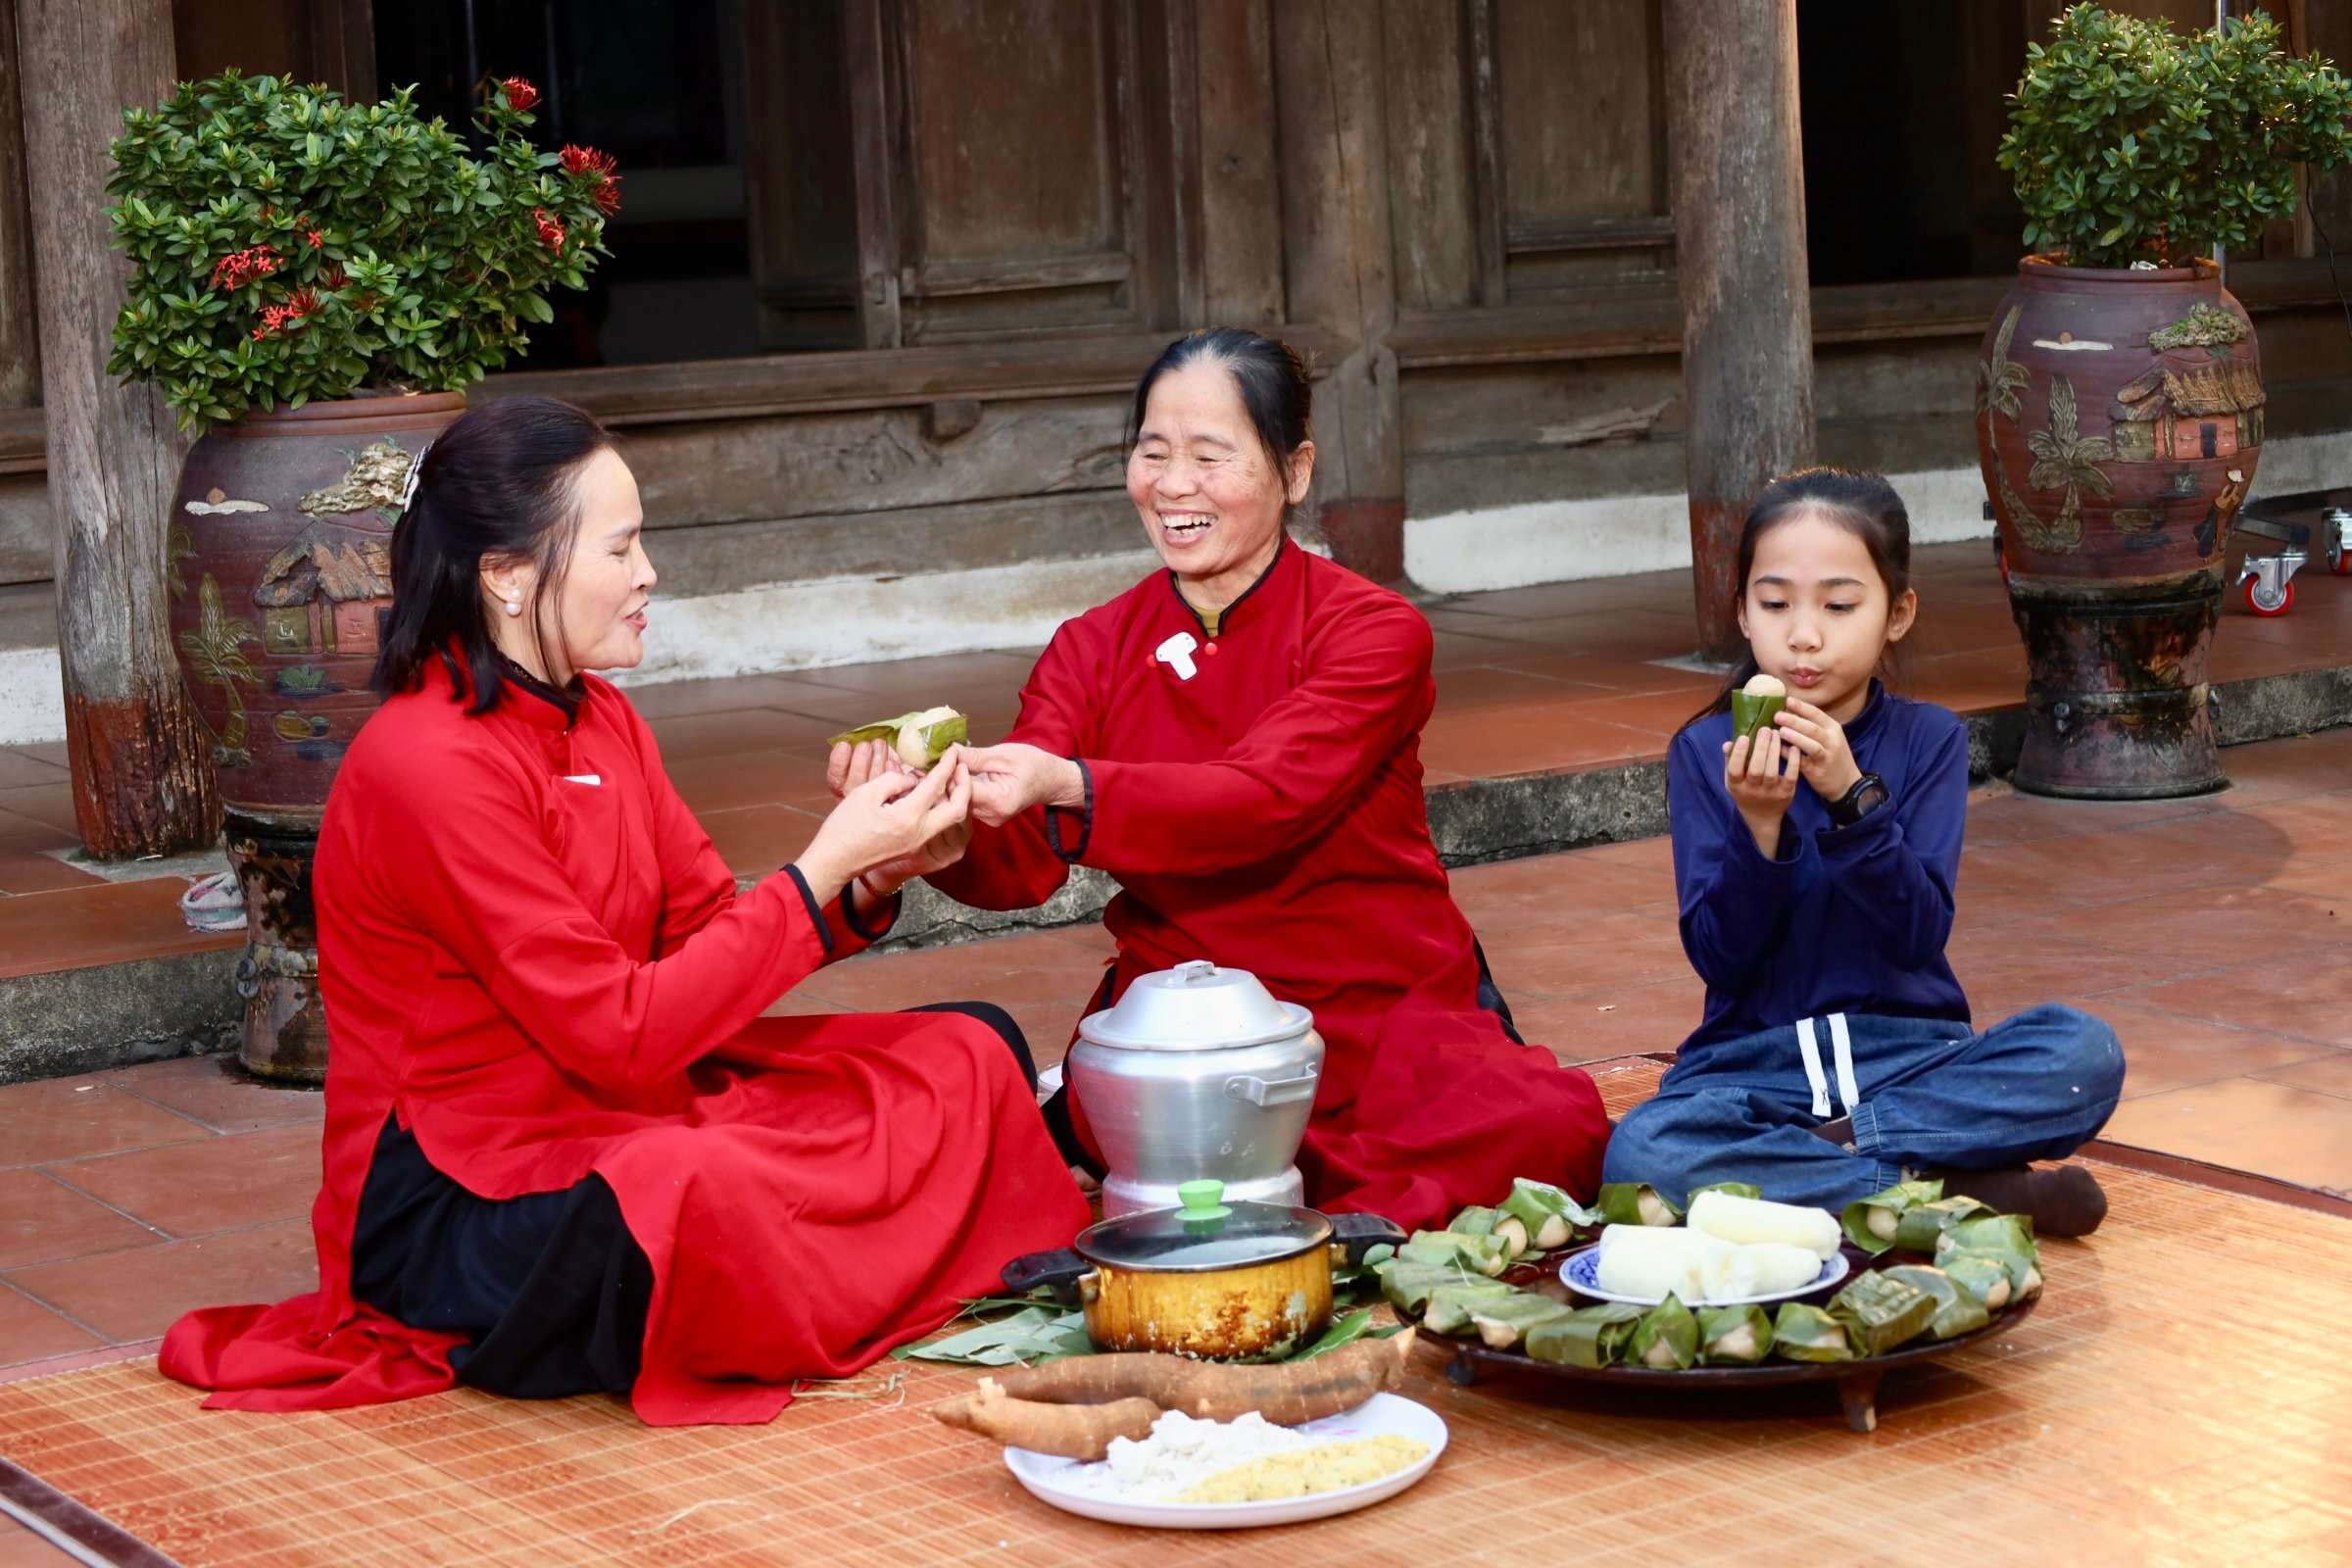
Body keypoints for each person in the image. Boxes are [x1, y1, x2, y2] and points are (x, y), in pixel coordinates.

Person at [161, 398, 1090, 1425]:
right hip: (458, 1187)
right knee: (697, 1184)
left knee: (966, 1051)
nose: (649, 574)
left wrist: (876, 872)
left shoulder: (602, 717)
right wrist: (821, 868)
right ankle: (834, 1271)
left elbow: (701, 941)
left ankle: (841, 1266)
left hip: (624, 1098)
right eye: (622, 547)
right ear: (507, 576)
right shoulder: (425, 764)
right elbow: (621, 1034)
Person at [832, 327, 1609, 1232]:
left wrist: (1071, 784)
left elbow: (1264, 797)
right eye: (1152, 453)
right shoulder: (1092, 648)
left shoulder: (1374, 630)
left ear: (1296, 469)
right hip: (1191, 1012)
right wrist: (931, 823)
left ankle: (1293, 1211)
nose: (1172, 486)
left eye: (1210, 455)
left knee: (1550, 1131)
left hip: (1382, 999)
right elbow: (1023, 863)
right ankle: (1295, 1207)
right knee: (1151, 1143)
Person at [1602, 468, 2124, 1235]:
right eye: (1774, 603)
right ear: (1743, 614)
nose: (1803, 634)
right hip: (1755, 1067)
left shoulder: (1929, 740)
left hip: (1909, 1058)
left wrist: (1852, 797)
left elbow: (1917, 935)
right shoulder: (1706, 749)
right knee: (1645, 1152)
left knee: (2082, 1054)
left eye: (1839, 605)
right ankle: (1954, 1187)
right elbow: (1722, 959)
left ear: (1897, 613)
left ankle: (1833, 1168)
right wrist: (1760, 828)